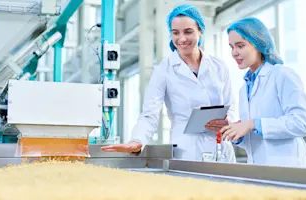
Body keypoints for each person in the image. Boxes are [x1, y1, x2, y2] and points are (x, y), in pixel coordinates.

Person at [101, 4, 238, 162]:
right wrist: (137, 140)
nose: (182, 39)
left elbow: (231, 105)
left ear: (200, 31)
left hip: (221, 147)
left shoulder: (218, 66)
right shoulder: (164, 70)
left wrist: (229, 122)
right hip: (187, 151)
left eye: (188, 31)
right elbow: (149, 114)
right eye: (175, 33)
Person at [207, 17, 306, 167]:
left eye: (240, 46)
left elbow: (301, 123)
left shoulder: (282, 75)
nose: (234, 53)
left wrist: (252, 124)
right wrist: (235, 132)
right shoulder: (245, 88)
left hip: (288, 167)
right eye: (231, 47)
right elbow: (256, 142)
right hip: (258, 169)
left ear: (258, 44)